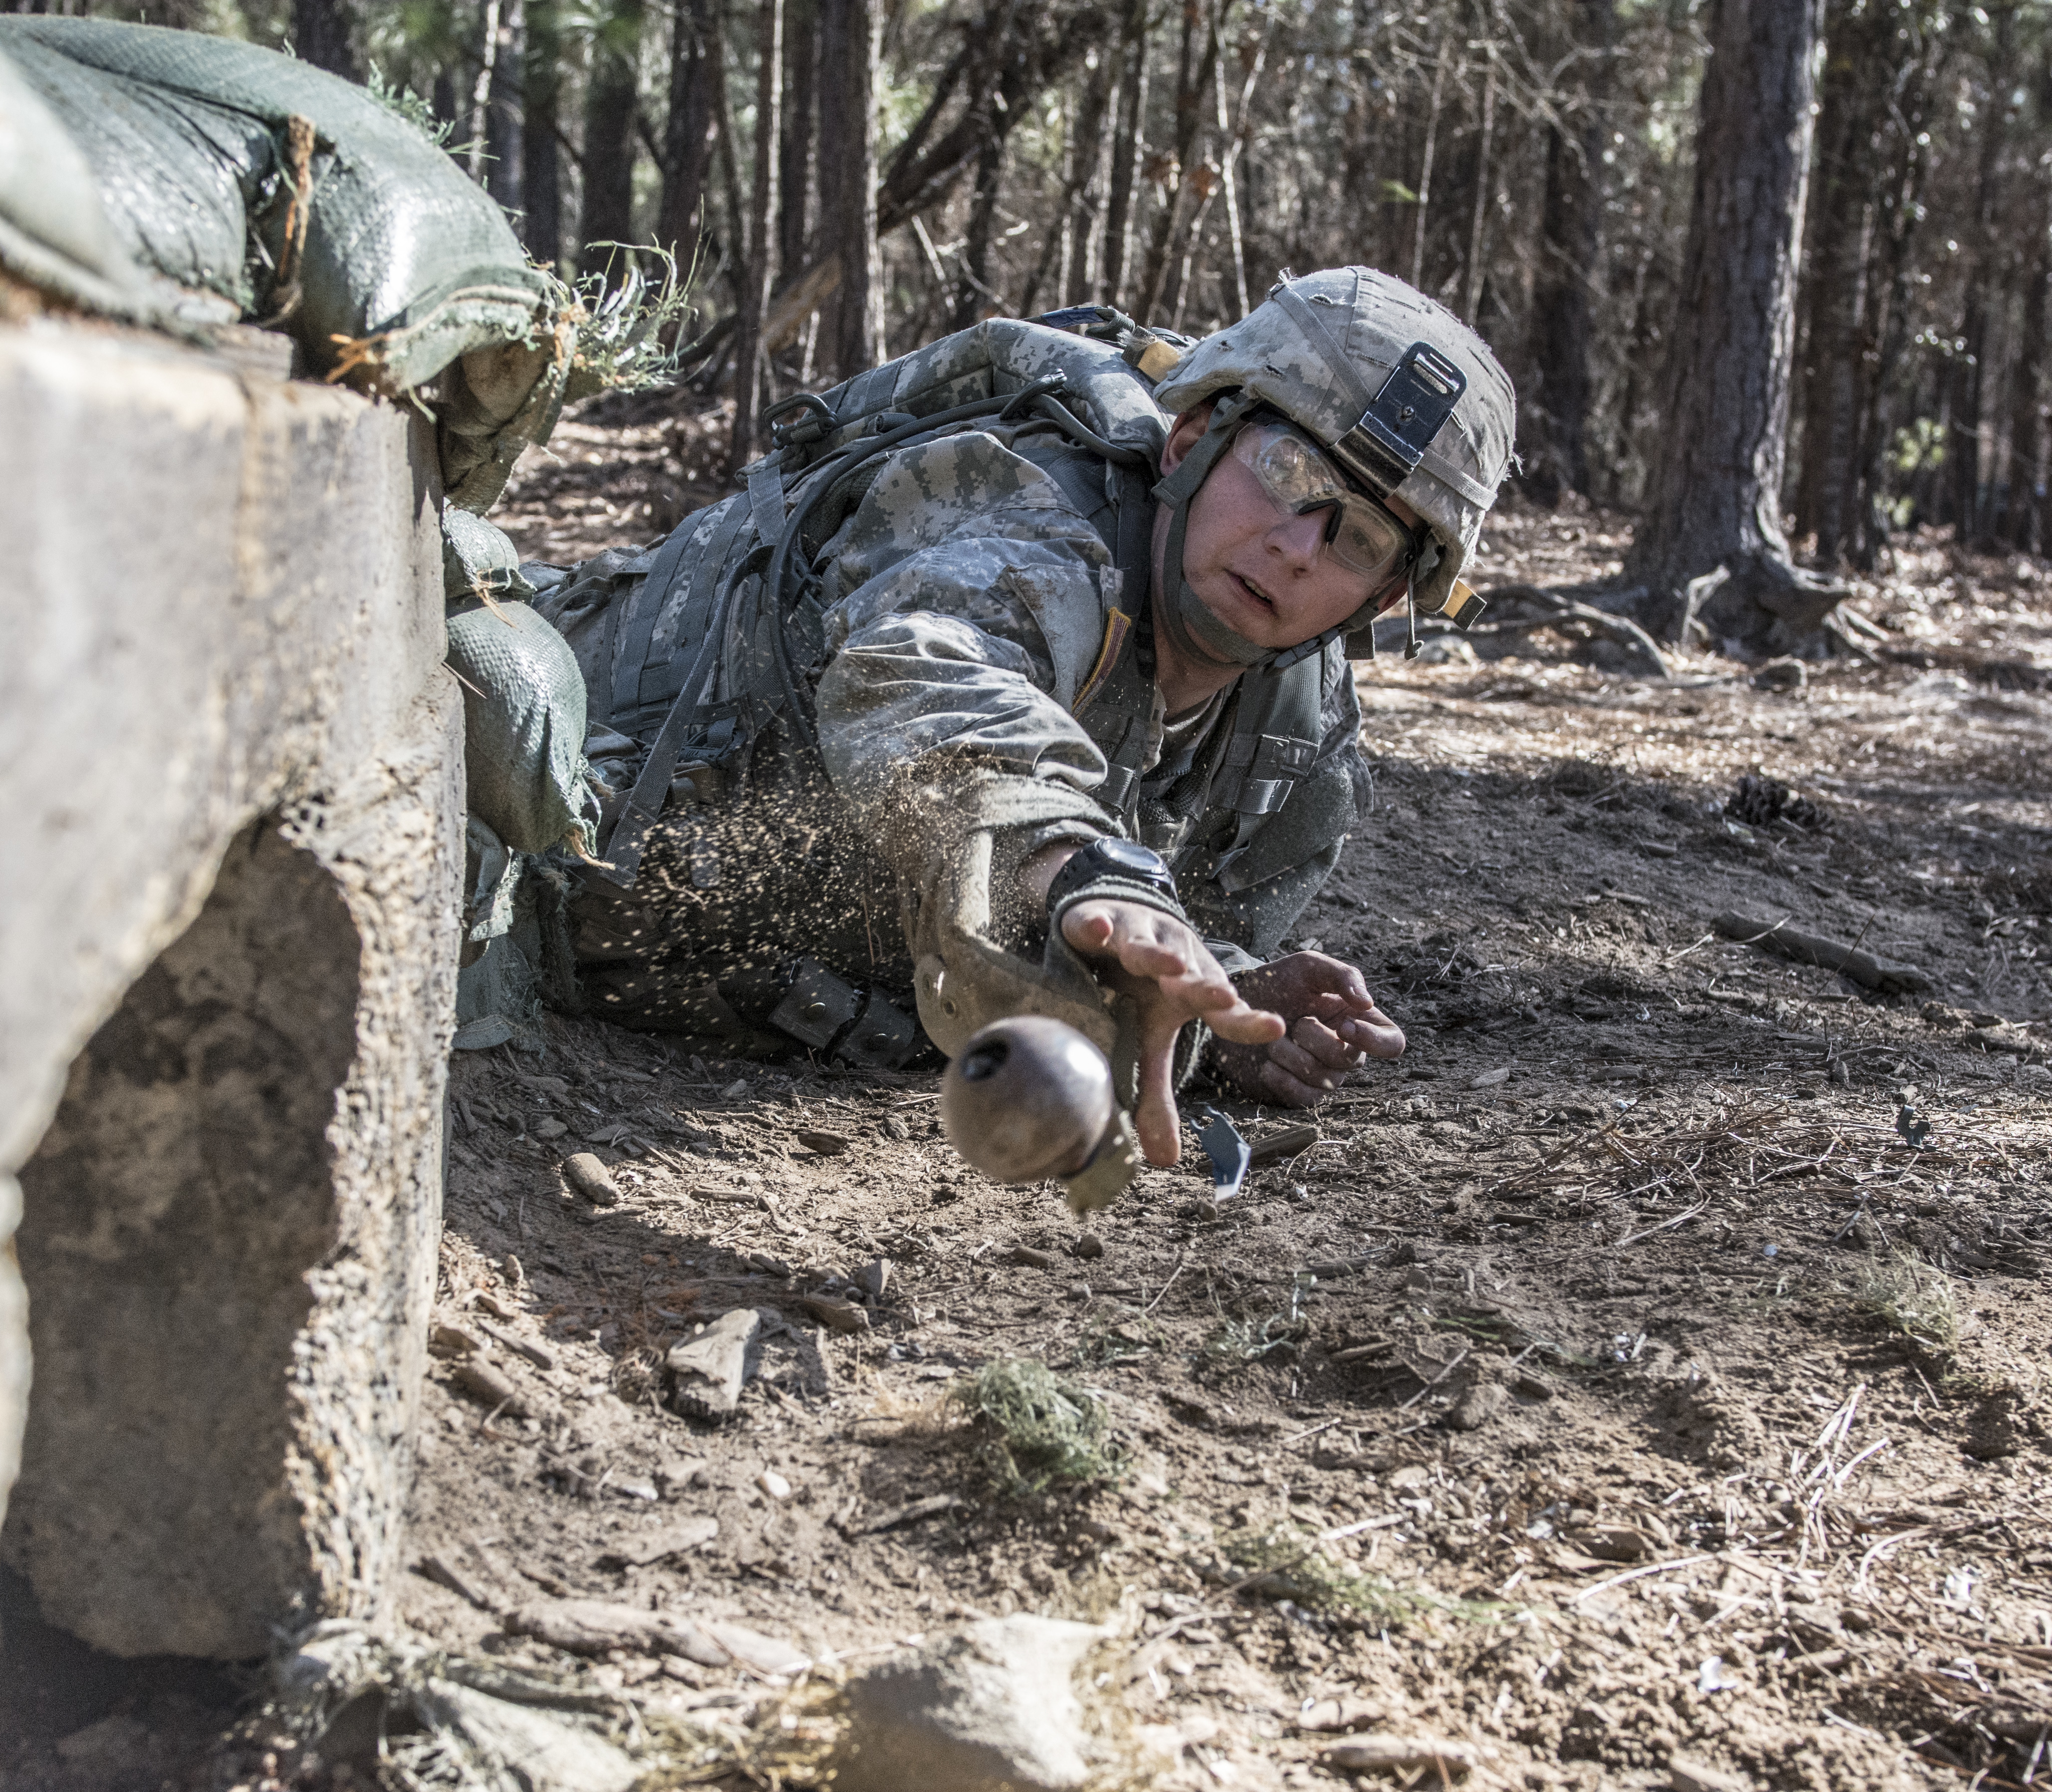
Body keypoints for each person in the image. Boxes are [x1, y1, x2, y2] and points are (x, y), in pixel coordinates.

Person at [486, 266, 1516, 1186]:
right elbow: (922, 670)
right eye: (1289, 474)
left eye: (1362, 533)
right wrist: (1076, 863)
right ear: (1196, 441)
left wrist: (1226, 1003)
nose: (1296, 545)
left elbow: (1152, 941)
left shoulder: (1301, 751)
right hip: (559, 719)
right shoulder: (1033, 518)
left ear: (1381, 599)